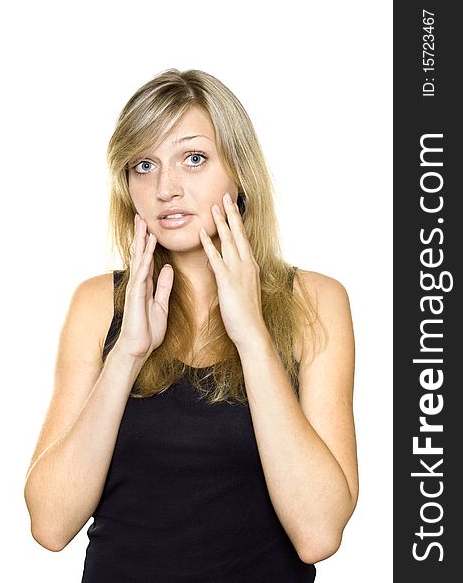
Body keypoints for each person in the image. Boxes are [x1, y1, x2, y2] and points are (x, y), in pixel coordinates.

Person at [24, 68, 358, 582]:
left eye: (194, 158)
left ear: (239, 171)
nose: (165, 188)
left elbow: (318, 534)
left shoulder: (315, 302)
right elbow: (50, 525)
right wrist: (127, 355)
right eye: (144, 165)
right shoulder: (96, 305)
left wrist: (252, 337)